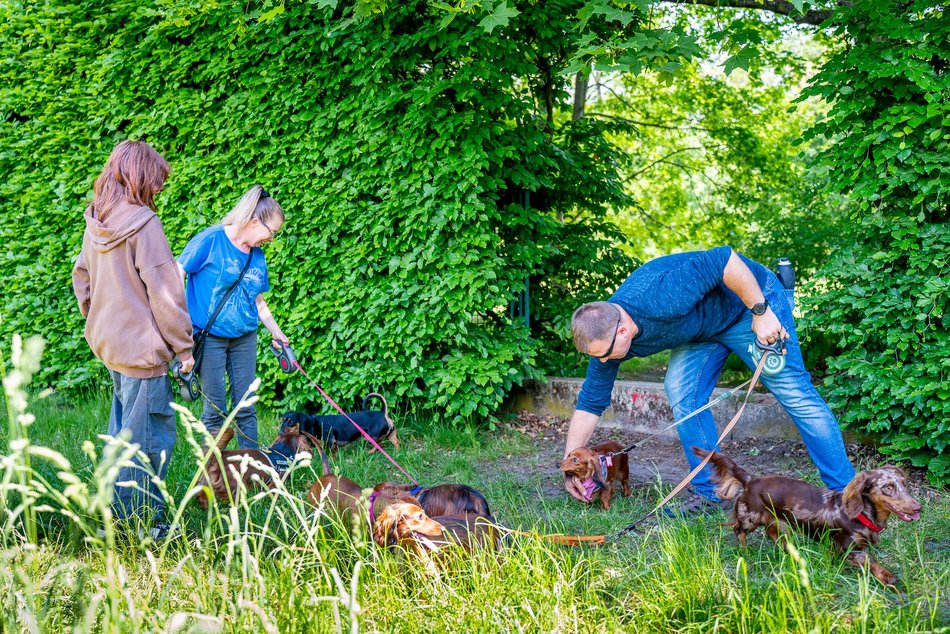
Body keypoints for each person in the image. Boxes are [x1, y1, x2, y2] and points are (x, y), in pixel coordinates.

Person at [563, 246, 856, 516]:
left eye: (605, 354)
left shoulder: (659, 297)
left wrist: (761, 312)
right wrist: (569, 464)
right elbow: (590, 402)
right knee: (682, 391)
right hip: (703, 327)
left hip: (748, 306)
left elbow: (724, 259)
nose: (603, 361)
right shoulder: (603, 337)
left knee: (796, 395)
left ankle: (849, 498)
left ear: (623, 331)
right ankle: (712, 493)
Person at [72, 140, 194, 532]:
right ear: (140, 176)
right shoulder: (144, 223)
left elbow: (81, 278)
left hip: (111, 346)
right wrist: (184, 349)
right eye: (157, 180)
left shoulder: (97, 219)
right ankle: (136, 526)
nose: (159, 188)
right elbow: (166, 294)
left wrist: (100, 319)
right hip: (142, 353)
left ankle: (114, 513)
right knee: (147, 441)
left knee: (121, 434)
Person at [178, 185, 288, 450]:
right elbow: (176, 274)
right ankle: (211, 470)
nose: (271, 239)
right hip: (210, 338)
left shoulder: (257, 256)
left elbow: (257, 301)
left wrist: (277, 332)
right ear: (254, 222)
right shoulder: (211, 240)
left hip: (244, 338)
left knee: (246, 406)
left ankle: (251, 467)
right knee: (215, 411)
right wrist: (179, 326)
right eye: (272, 232)